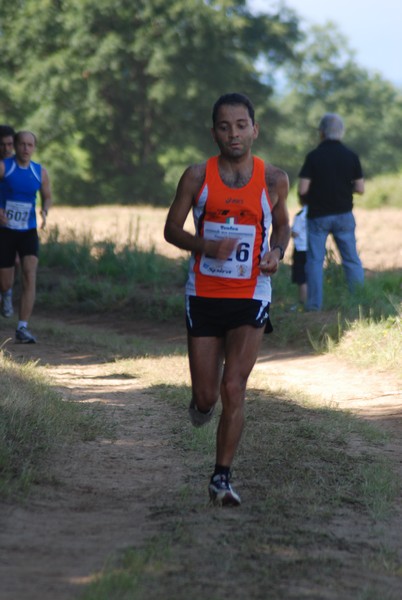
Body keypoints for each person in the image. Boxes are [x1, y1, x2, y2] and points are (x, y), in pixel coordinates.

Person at [164, 93, 290, 506]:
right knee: (207, 397)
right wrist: (205, 245)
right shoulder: (197, 176)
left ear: (255, 129)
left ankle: (222, 477)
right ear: (214, 131)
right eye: (224, 126)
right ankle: (201, 405)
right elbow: (171, 230)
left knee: (234, 386)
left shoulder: (273, 178)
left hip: (252, 292)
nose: (233, 133)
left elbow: (282, 226)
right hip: (203, 292)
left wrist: (276, 253)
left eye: (241, 125)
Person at [298, 113, 365, 311]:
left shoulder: (313, 156)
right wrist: (346, 189)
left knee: (315, 261)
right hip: (344, 215)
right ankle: (358, 304)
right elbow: (360, 188)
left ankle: (313, 306)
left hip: (318, 216)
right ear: (341, 133)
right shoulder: (351, 156)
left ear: (321, 133)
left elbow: (303, 189)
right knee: (351, 260)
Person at [0, 130, 52, 343]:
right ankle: (7, 293)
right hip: (5, 232)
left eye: (30, 145)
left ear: (34, 147)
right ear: (16, 145)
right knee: (5, 283)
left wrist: (45, 211)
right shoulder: (5, 166)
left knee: (30, 273)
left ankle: (22, 328)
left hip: (28, 231)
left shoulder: (39, 171)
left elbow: (47, 196)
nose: (25, 148)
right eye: (22, 144)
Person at [0, 124, 16, 318]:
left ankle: (8, 293)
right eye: (2, 144)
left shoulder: (17, 165)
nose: (6, 148)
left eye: (9, 144)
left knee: (15, 261)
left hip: (12, 222)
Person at [290, 204, 307, 310]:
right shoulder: (316, 213)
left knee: (301, 277)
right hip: (313, 249)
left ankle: (302, 302)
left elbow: (295, 233)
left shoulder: (300, 215)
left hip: (300, 249)